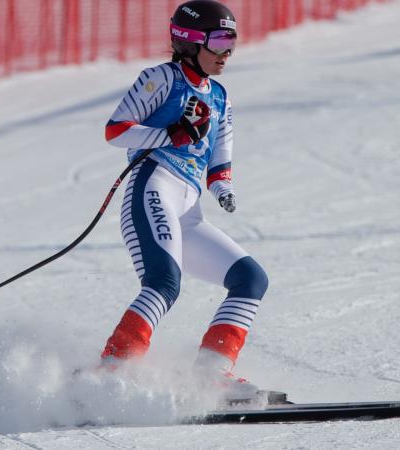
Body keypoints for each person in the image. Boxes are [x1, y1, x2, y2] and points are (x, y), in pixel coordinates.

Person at [100, 0, 268, 399]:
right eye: (221, 41)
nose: (227, 53)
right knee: (163, 284)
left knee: (250, 279)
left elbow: (219, 155)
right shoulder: (162, 79)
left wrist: (222, 186)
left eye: (233, 42)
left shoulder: (221, 96)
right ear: (191, 41)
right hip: (152, 186)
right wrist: (168, 135)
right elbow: (116, 131)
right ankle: (113, 369)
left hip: (188, 210)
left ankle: (210, 375)